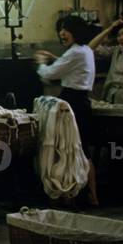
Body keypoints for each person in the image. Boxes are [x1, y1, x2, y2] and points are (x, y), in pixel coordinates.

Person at [35, 15, 98, 205]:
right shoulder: (85, 50)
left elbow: (50, 74)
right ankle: (91, 195)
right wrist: (56, 59)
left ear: (75, 31)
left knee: (68, 150)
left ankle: (69, 194)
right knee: (82, 150)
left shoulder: (75, 53)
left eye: (66, 29)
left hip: (72, 102)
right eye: (60, 29)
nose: (62, 33)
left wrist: (40, 63)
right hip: (82, 101)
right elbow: (69, 65)